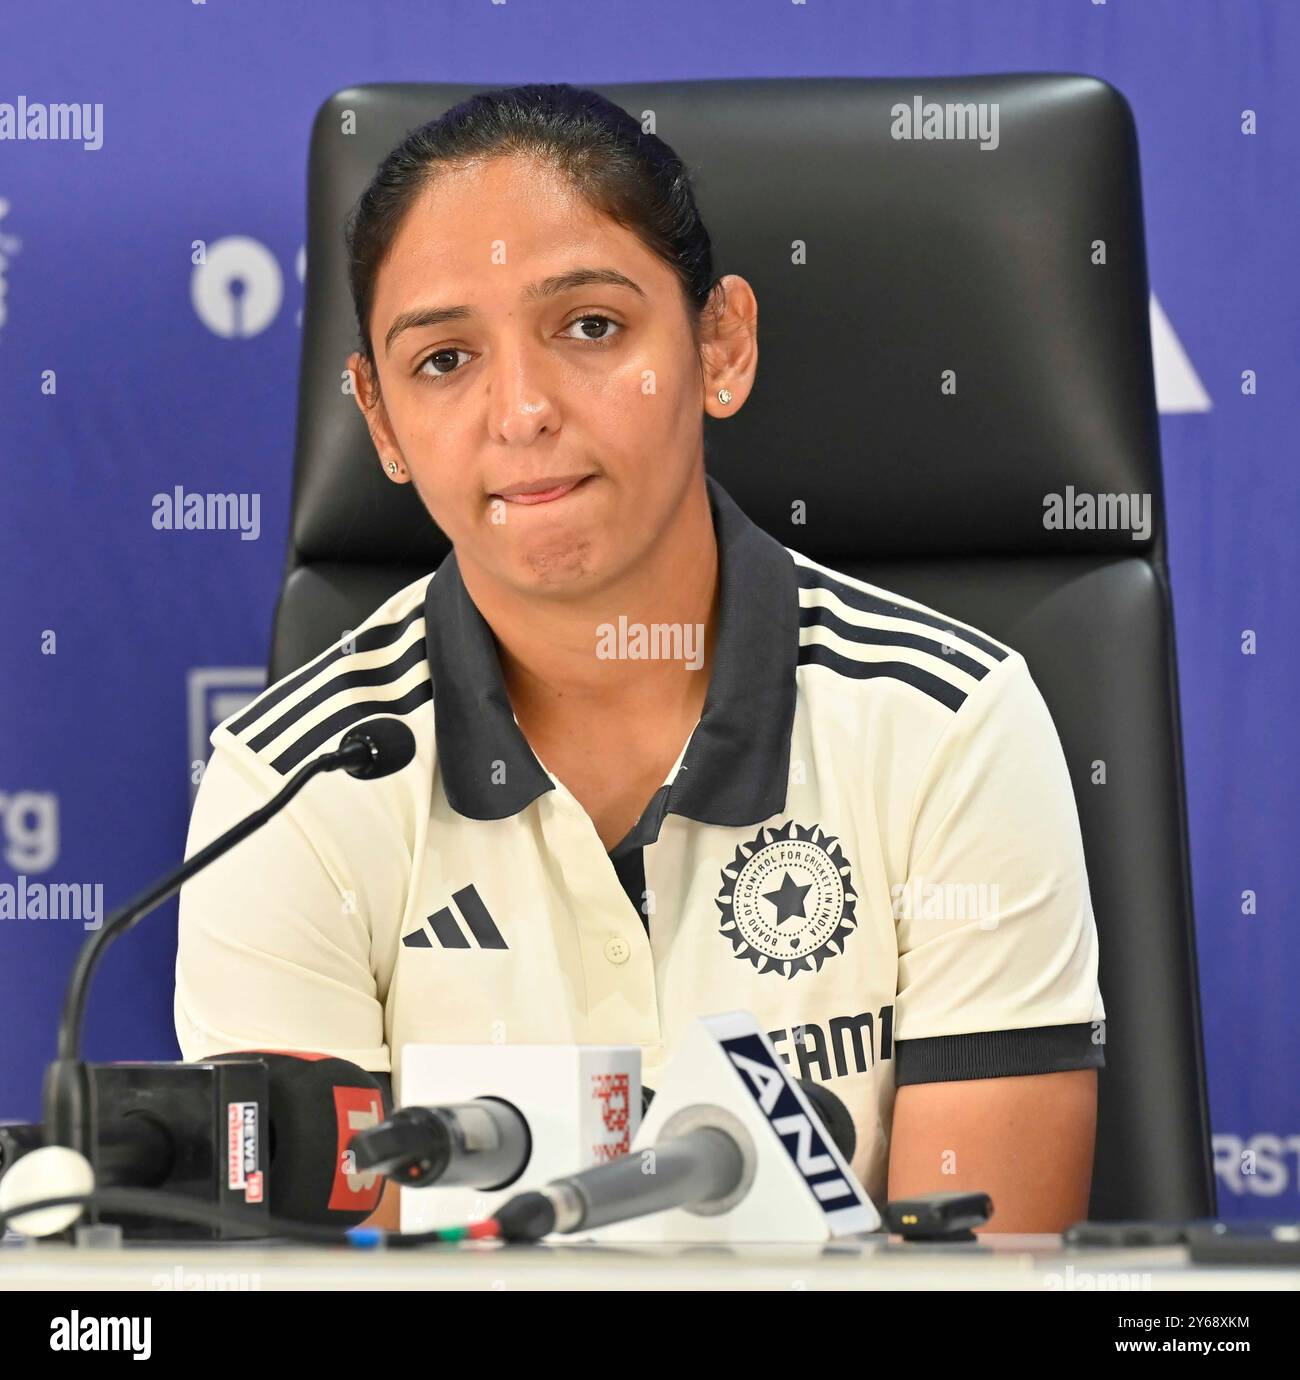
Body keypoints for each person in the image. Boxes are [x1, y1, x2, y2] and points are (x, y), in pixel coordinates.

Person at [175, 83, 1105, 1234]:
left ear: (720, 346)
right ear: (378, 420)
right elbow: (301, 1266)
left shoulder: (947, 729)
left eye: (590, 328)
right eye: (445, 359)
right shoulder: (290, 793)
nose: (521, 410)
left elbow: (986, 1271)